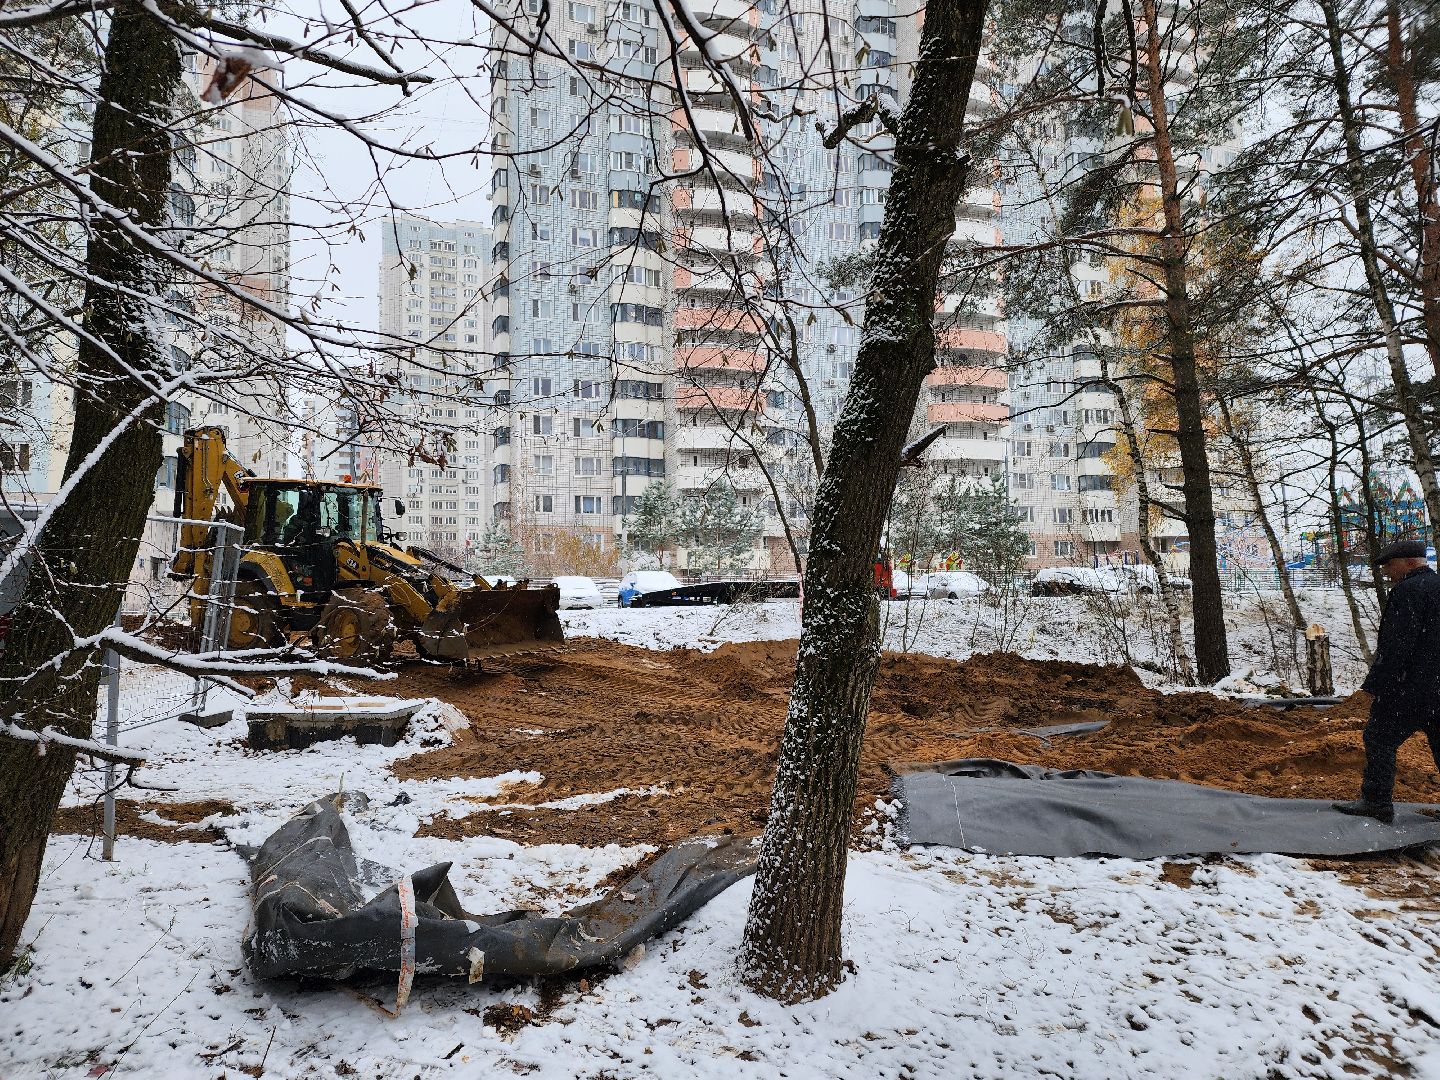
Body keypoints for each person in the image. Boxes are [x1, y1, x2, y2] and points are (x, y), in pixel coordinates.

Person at [1333, 539, 1440, 824]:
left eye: (1389, 566)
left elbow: (1397, 646)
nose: (1386, 573)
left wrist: (1373, 686)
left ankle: (1377, 803)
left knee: (1379, 738)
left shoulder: (1408, 591)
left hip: (1411, 688)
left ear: (1409, 562)